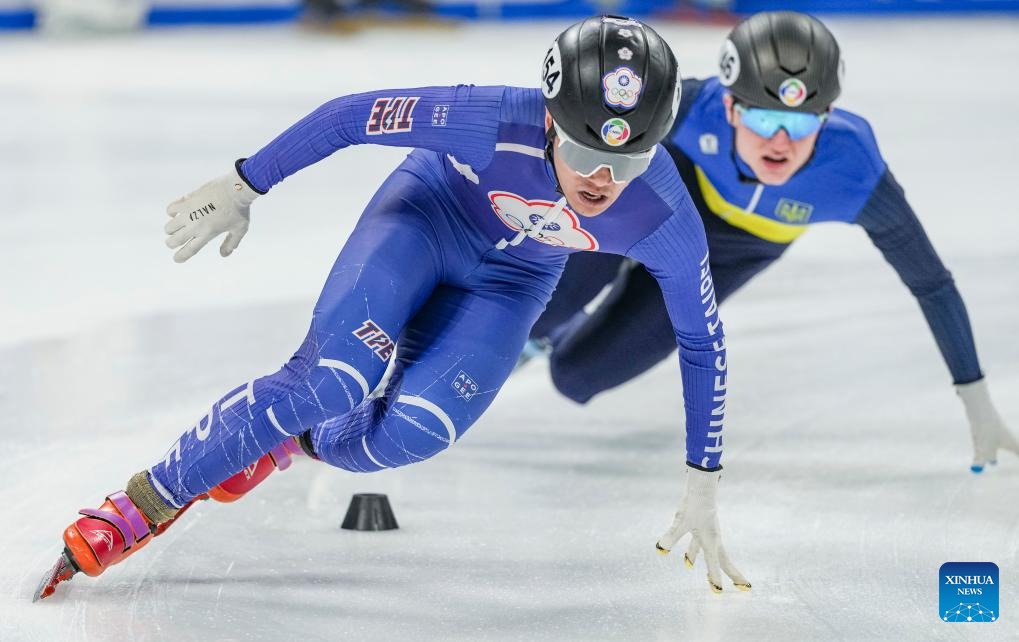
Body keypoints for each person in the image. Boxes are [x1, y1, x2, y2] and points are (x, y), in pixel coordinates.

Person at [35, 16, 750, 601]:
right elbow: (351, 117)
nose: (602, 180)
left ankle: (291, 441)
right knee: (330, 380)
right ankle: (139, 505)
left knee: (417, 432)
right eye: (587, 152)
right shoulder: (490, 118)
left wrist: (703, 476)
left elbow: (701, 340)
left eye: (629, 162)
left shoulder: (662, 214)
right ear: (550, 121)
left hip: (511, 284)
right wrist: (244, 183)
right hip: (425, 221)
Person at [524, 11, 1017, 475]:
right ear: (730, 108)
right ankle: (547, 324)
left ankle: (560, 337)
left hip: (732, 255)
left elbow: (931, 283)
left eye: (802, 123)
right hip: (657, 210)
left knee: (576, 377)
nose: (781, 141)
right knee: (541, 308)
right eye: (763, 120)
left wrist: (975, 397)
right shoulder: (691, 107)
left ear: (826, 116)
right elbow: (570, 131)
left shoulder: (855, 171)